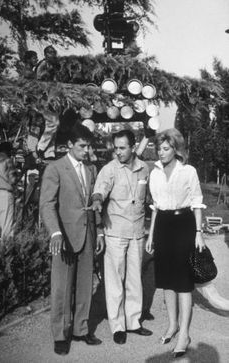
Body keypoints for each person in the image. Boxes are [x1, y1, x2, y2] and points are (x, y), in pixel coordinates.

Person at [39, 123, 104, 356]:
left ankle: (81, 329)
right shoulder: (55, 168)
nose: (86, 150)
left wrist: (99, 232)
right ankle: (60, 335)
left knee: (86, 285)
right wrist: (55, 232)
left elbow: (94, 204)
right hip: (64, 238)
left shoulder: (91, 170)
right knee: (61, 288)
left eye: (88, 146)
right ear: (70, 145)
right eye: (82, 146)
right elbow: (47, 204)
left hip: (87, 235)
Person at [146, 128, 206, 358]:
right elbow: (156, 207)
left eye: (165, 148)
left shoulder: (188, 171)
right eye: (158, 148)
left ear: (175, 149)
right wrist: (151, 235)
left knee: (182, 282)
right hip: (162, 226)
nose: (160, 153)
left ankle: (184, 334)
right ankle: (172, 325)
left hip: (184, 226)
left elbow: (197, 201)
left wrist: (198, 232)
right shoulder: (155, 173)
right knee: (166, 280)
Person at [92, 129, 152, 344]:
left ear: (133, 147)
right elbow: (100, 189)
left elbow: (149, 198)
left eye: (122, 148)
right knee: (116, 280)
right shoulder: (109, 169)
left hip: (137, 232)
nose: (118, 152)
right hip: (115, 232)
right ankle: (117, 326)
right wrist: (98, 199)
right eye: (115, 148)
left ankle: (133, 322)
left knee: (135, 279)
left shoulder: (144, 168)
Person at [0, 142, 17, 241]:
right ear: (8, 150)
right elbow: (13, 180)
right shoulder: (7, 160)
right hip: (4, 194)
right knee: (7, 227)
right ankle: (7, 252)